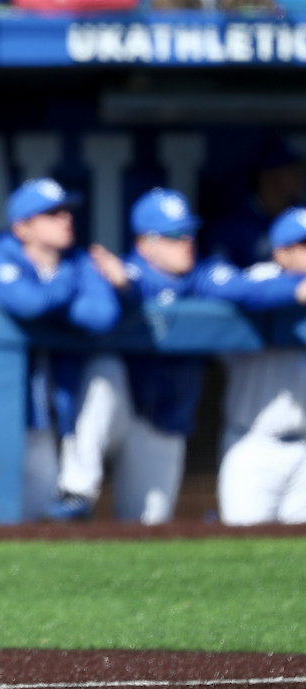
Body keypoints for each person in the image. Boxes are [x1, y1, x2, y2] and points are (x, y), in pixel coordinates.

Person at [51, 188, 244, 523]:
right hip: (120, 410)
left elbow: (250, 289)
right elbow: (121, 288)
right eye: (173, 235)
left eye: (188, 232)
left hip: (162, 422)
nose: (186, 241)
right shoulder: (122, 270)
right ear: (144, 243)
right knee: (105, 368)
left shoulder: (201, 276)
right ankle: (77, 489)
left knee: (148, 526)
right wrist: (123, 286)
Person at [0, 178, 122, 525]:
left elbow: (102, 315)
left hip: (42, 421)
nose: (65, 218)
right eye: (51, 213)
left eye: (66, 210)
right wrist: (66, 284)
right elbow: (29, 305)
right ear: (22, 227)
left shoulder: (76, 258)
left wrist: (55, 287)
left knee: (41, 533)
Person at [203, 207, 306, 524]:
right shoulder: (260, 278)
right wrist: (294, 291)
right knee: (241, 547)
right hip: (252, 444)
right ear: (281, 253)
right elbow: (214, 284)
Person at [208, 138, 304, 268]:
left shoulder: (300, 213)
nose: (298, 175)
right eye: (289, 169)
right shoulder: (234, 225)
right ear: (267, 175)